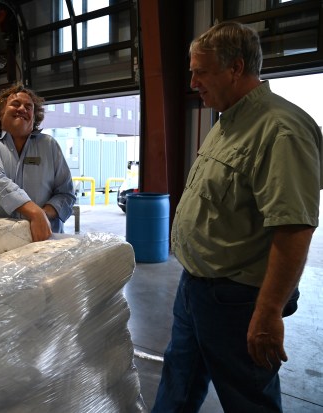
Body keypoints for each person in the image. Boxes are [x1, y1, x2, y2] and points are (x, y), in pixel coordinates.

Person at [152, 21, 322, 412]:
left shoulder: (281, 130)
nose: (193, 81)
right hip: (195, 286)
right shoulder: (227, 119)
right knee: (179, 378)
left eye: (202, 71)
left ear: (236, 68)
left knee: (248, 398)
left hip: (238, 300)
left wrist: (268, 313)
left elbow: (294, 228)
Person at [0, 83, 76, 242]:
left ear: (34, 118)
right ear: (1, 114)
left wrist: (43, 216)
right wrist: (34, 213)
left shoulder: (49, 145)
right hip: (1, 241)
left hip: (45, 239)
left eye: (29, 107)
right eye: (15, 104)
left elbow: (66, 193)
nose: (22, 109)